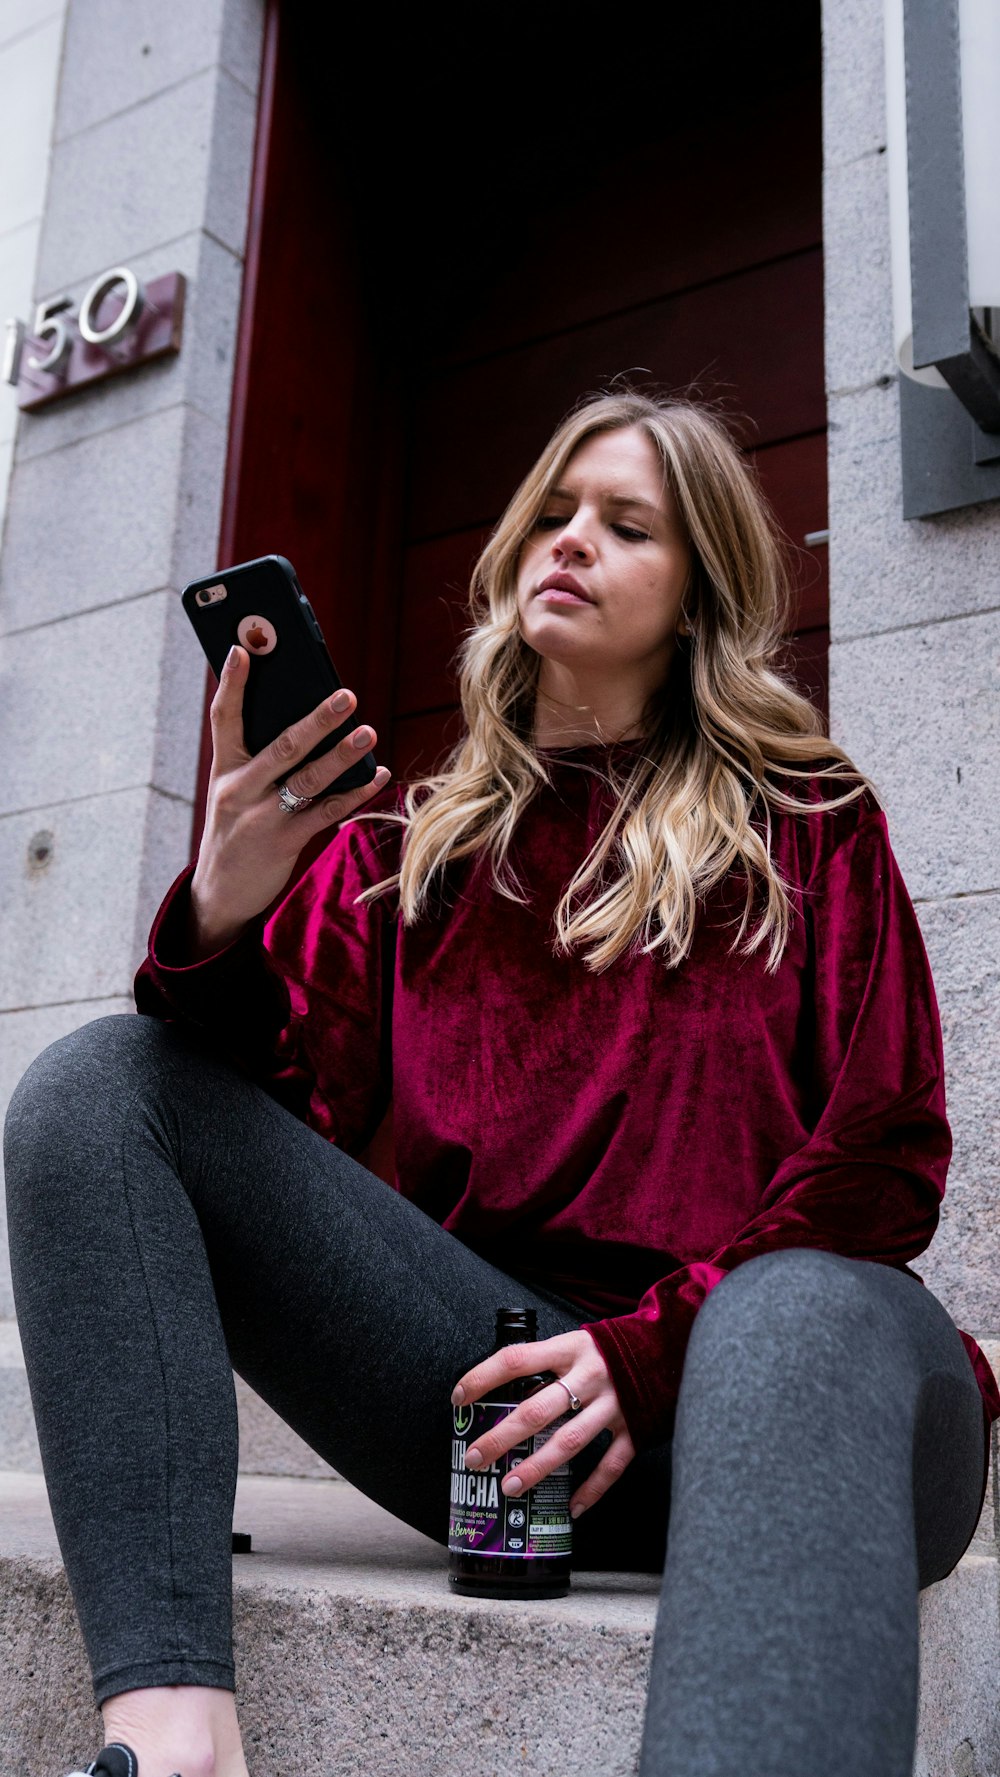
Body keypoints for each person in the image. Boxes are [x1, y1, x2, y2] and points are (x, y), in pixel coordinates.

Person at [5, 391, 998, 1777]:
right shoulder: (397, 860)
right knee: (98, 1083)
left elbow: (886, 1154)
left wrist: (654, 1350)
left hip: (785, 1416)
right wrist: (222, 911)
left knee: (801, 1312)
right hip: (506, 1430)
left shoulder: (812, 825)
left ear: (700, 586)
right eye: (553, 510)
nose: (569, 540)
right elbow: (252, 1112)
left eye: (626, 522)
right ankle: (171, 1741)